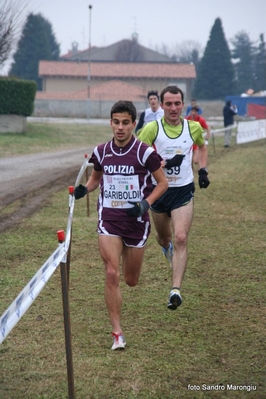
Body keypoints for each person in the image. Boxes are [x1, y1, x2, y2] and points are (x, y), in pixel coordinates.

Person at [74, 100, 168, 350]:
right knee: (111, 273)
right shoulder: (102, 151)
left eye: (125, 122)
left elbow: (162, 184)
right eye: (116, 122)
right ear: (111, 123)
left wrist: (145, 205)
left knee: (131, 279)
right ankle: (117, 333)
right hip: (109, 220)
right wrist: (86, 189)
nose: (120, 127)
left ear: (134, 124)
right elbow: (95, 179)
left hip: (136, 223)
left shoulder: (144, 152)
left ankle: (121, 316)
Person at [138, 86, 210, 311]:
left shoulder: (193, 127)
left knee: (180, 238)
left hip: (183, 191)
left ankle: (175, 290)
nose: (173, 108)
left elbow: (201, 146)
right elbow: (138, 154)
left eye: (177, 103)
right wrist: (157, 164)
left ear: (183, 104)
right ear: (161, 105)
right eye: (168, 104)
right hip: (159, 192)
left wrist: (203, 170)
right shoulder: (152, 128)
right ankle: (165, 248)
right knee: (164, 239)